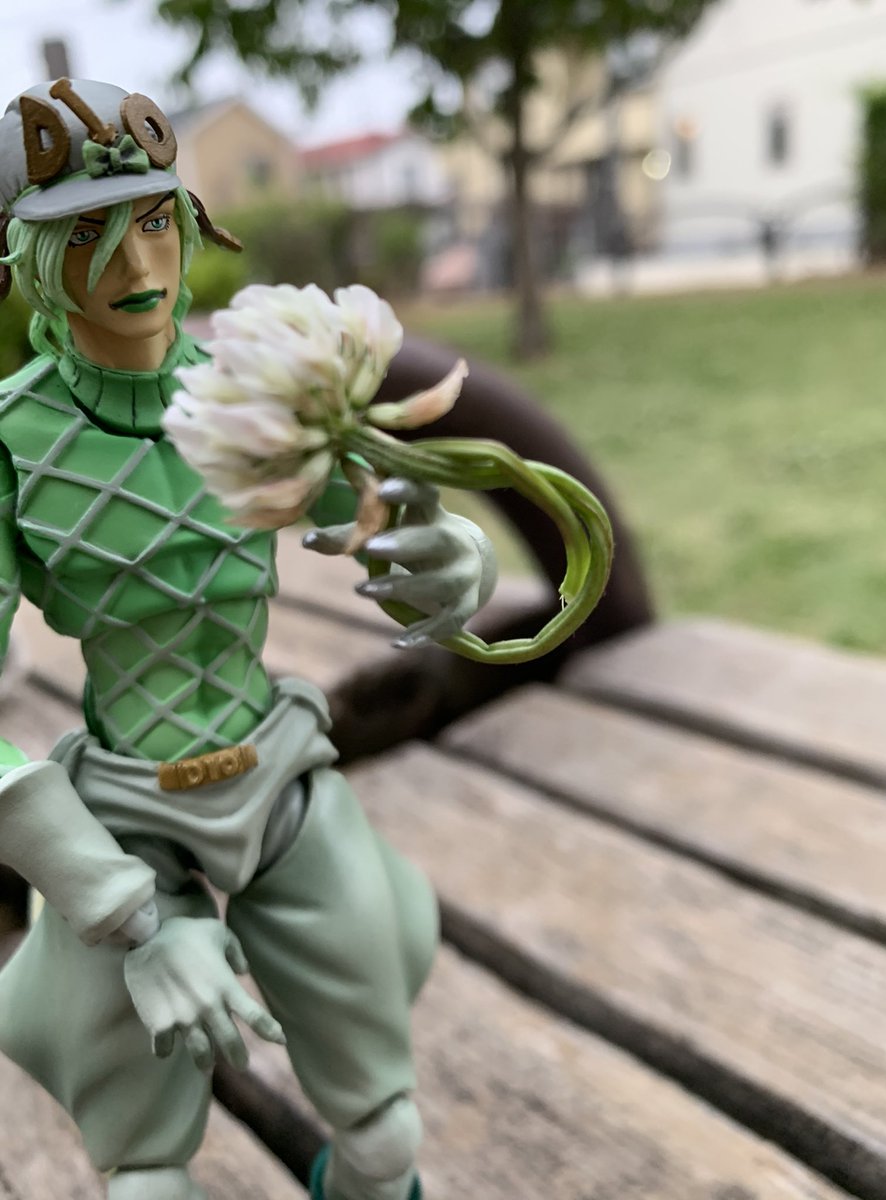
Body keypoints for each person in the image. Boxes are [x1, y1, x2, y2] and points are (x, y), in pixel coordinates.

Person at [0, 79, 497, 1200]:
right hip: (123, 815)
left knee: (385, 1139)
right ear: (30, 256)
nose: (136, 267)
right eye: (87, 237)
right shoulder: (12, 441)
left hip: (277, 777)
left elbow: (387, 528)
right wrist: (129, 918)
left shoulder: (247, 392)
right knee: (144, 1177)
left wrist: (452, 562)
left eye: (155, 221)